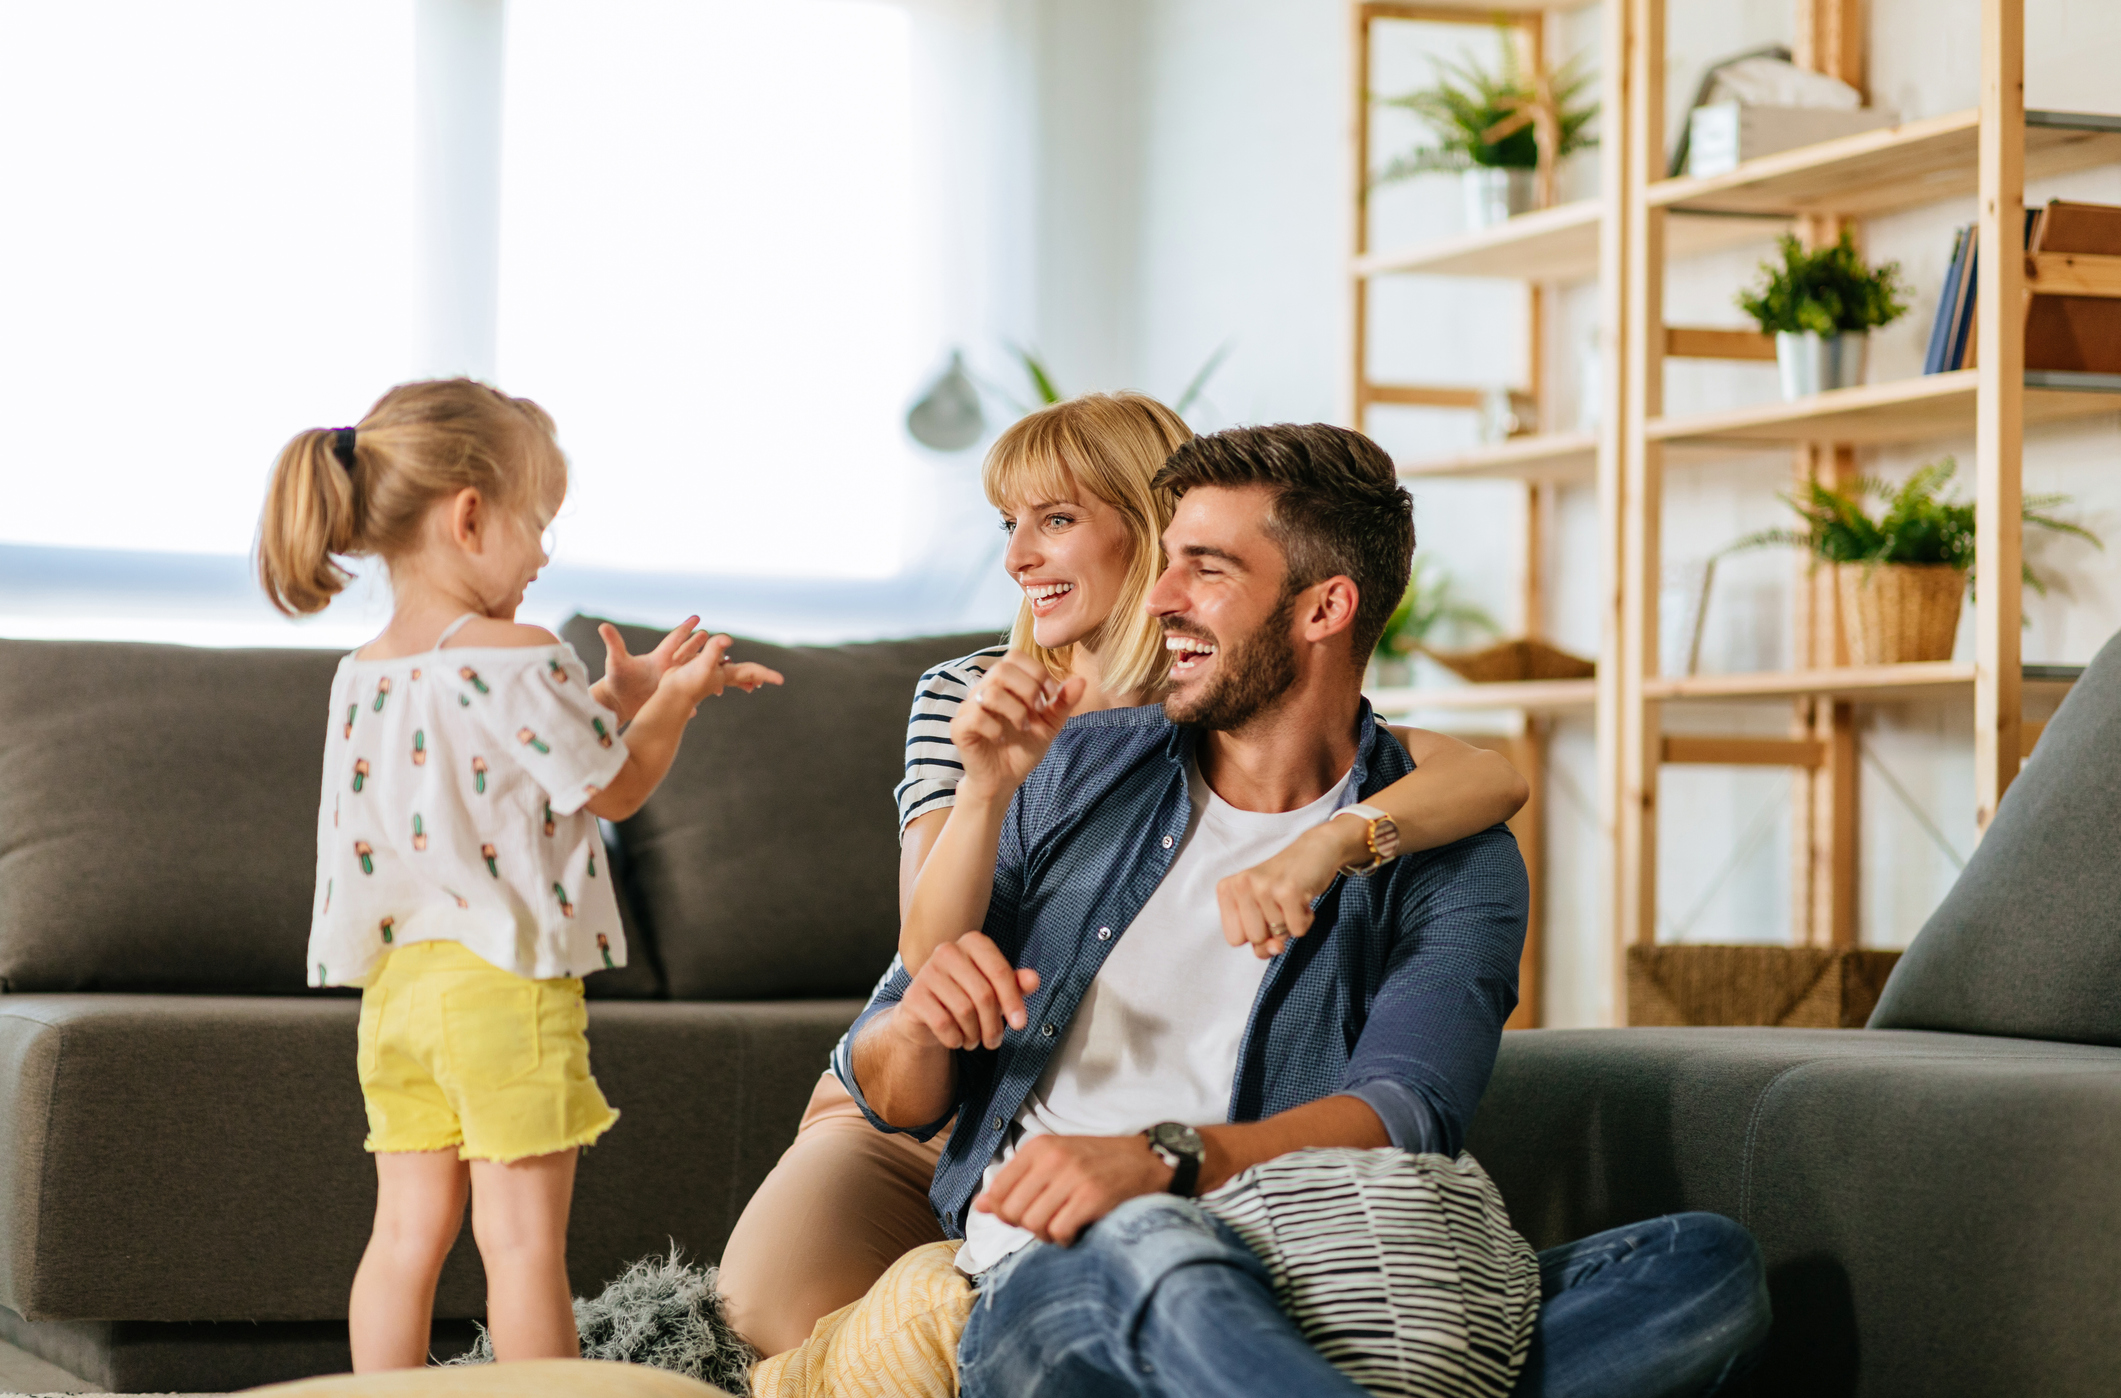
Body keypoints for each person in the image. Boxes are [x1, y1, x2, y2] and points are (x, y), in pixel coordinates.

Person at [824, 422, 1768, 1398]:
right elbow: (889, 1077)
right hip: (1059, 1283)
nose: (1159, 598)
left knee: (1702, 1268)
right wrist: (931, 1018)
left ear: (1325, 608)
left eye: (1207, 569)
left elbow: (1407, 1108)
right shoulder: (1065, 769)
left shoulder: (1448, 855)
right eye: (1167, 559)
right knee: (1149, 1236)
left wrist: (1169, 1157)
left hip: (1306, 1272)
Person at [715, 394, 1531, 1354]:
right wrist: (984, 792)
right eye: (1009, 525)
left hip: (1204, 1213)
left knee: (1696, 1263)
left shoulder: (1310, 736)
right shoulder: (1022, 735)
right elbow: (928, 971)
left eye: (1056, 519)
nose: (1019, 556)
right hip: (949, 1110)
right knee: (776, 1309)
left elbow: (1474, 778)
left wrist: (1331, 843)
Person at [257, 379, 781, 1371]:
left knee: (404, 1240)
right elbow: (616, 788)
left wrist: (606, 698)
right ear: (469, 514)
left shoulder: (364, 671)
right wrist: (671, 699)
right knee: (525, 1245)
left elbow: (481, 774)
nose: (544, 551)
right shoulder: (521, 651)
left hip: (397, 995)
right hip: (503, 986)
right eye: (539, 523)